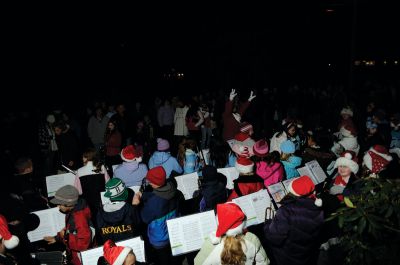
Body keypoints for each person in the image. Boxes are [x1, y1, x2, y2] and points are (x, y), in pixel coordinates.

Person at [263, 176, 323, 265]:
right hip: (307, 252)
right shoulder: (317, 208)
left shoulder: (286, 211)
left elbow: (274, 238)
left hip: (288, 255)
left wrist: (268, 223)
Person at [194, 203, 269, 265]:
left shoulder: (210, 245)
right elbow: (263, 262)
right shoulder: (252, 239)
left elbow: (197, 263)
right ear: (242, 224)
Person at [138, 166, 183, 265]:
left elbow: (144, 218)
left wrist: (136, 204)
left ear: (154, 183)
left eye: (150, 181)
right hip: (173, 232)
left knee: (164, 260)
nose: (148, 182)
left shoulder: (154, 203)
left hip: (160, 239)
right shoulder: (173, 189)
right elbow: (158, 196)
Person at [44, 185, 93, 265]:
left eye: (60, 204)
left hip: (81, 260)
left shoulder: (79, 218)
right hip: (75, 256)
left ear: (69, 204)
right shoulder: (72, 212)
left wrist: (65, 237)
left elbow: (83, 244)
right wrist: (57, 238)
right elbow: (70, 230)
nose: (57, 206)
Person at [97, 178, 142, 244]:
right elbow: (138, 226)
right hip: (130, 247)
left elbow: (101, 234)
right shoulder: (130, 209)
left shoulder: (100, 213)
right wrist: (135, 207)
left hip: (112, 250)